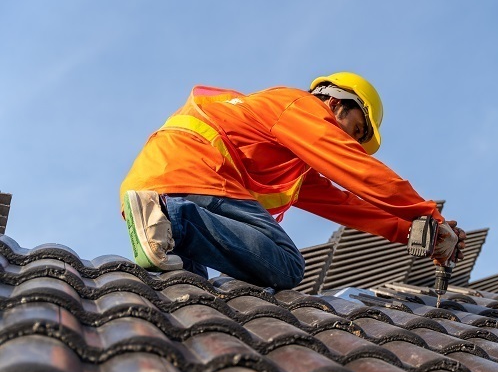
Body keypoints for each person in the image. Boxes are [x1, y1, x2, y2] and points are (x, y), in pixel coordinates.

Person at [120, 72, 463, 289]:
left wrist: (415, 234)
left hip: (160, 178)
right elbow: (360, 172)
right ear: (334, 102)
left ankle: (161, 224)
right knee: (286, 264)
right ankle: (172, 218)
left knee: (187, 296)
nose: (351, 141)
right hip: (194, 174)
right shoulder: (298, 106)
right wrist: (432, 217)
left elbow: (348, 206)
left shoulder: (292, 167)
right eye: (355, 130)